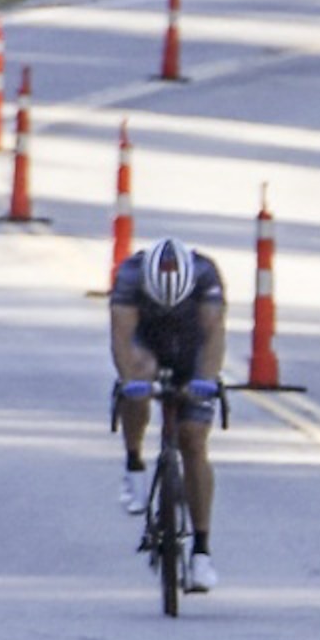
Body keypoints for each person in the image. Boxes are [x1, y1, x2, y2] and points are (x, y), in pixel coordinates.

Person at [111, 237, 227, 592]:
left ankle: (202, 552)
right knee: (137, 379)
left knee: (193, 440)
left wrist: (206, 381)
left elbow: (214, 335)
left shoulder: (205, 274)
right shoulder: (130, 276)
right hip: (146, 347)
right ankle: (133, 465)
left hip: (190, 352)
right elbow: (121, 338)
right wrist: (130, 381)